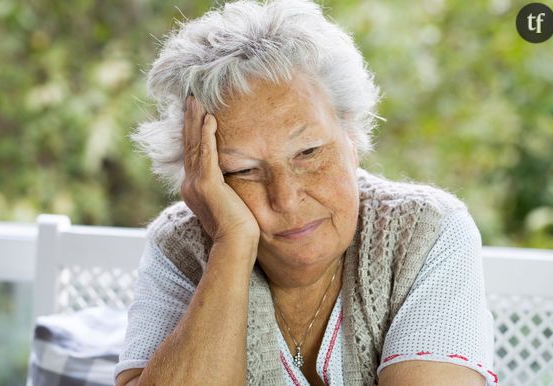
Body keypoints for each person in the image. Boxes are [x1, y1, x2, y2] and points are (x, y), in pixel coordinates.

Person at [114, 0, 497, 385]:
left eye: (309, 152)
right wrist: (231, 244)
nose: (285, 197)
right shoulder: (179, 247)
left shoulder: (425, 232)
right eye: (242, 170)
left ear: (351, 136)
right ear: (204, 179)